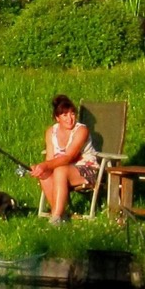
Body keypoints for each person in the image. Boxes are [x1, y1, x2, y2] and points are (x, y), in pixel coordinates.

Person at [29, 93, 91, 223]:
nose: (70, 118)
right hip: (62, 170)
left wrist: (46, 165)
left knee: (60, 170)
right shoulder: (51, 132)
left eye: (72, 113)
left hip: (87, 169)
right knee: (45, 173)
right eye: (65, 115)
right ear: (57, 118)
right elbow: (50, 158)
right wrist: (40, 167)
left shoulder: (81, 130)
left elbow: (68, 157)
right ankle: (60, 215)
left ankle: (56, 218)